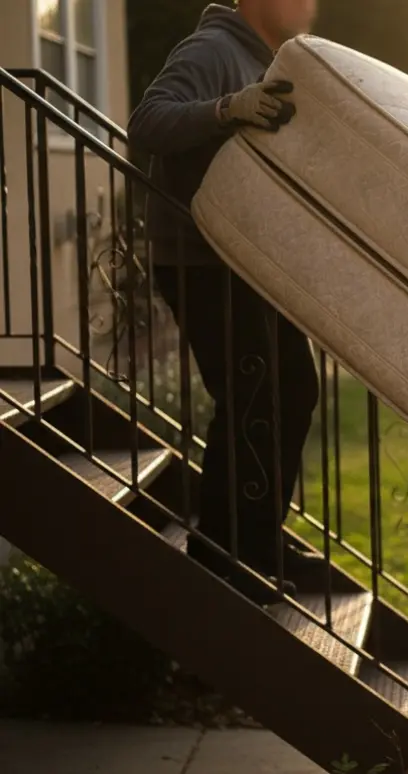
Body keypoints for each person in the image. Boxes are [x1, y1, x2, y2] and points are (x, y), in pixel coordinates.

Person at [128, 0, 320, 604]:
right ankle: (225, 555)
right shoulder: (212, 50)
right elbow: (147, 122)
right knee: (251, 395)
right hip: (199, 260)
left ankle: (259, 535)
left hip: (244, 260)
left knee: (295, 386)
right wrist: (225, 108)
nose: (310, 3)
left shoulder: (271, 62)